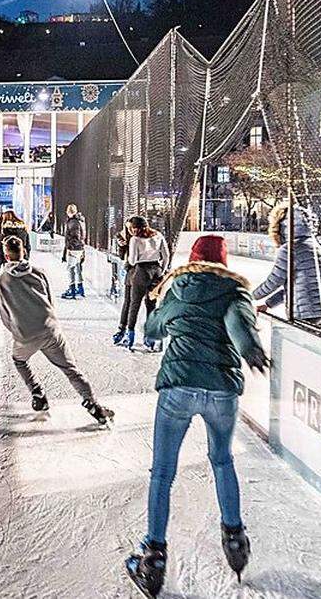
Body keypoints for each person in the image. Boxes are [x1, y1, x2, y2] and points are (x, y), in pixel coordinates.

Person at [127, 235, 269, 596]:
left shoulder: (179, 288)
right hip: (221, 389)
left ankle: (153, 557)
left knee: (162, 472)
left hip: (178, 387)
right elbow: (240, 329)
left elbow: (153, 329)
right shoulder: (235, 292)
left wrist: (158, 307)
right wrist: (252, 351)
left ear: (192, 259)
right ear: (223, 262)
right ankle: (235, 539)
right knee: (222, 461)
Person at [0, 235, 115, 425]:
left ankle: (38, 394)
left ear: (6, 255)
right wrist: (49, 322)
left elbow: (4, 314)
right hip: (50, 329)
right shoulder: (37, 271)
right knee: (70, 369)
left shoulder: (1, 280)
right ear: (23, 251)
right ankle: (93, 404)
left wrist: (17, 331)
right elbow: (50, 300)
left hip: (25, 335)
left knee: (19, 360)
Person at [252, 204, 321, 327]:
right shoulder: (316, 246)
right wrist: (269, 304)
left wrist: (248, 296)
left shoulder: (290, 249)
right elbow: (293, 286)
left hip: (304, 314)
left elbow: (273, 282)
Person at [113, 216, 171, 350]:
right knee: (151, 304)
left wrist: (129, 256)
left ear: (136, 228)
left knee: (134, 303)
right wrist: (161, 271)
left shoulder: (135, 239)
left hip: (140, 272)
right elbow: (166, 255)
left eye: (132, 228)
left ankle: (130, 334)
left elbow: (132, 260)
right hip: (156, 271)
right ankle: (150, 337)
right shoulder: (158, 235)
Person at [0, 209, 29, 290]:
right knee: (16, 270)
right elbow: (27, 244)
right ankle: (17, 287)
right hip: (18, 253)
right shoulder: (22, 228)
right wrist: (26, 255)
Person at [61, 204, 88, 299]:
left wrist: (70, 247)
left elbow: (75, 236)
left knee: (71, 268)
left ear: (69, 212)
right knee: (78, 267)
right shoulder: (80, 221)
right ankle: (80, 288)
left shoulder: (73, 222)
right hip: (80, 248)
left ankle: (72, 289)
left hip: (74, 249)